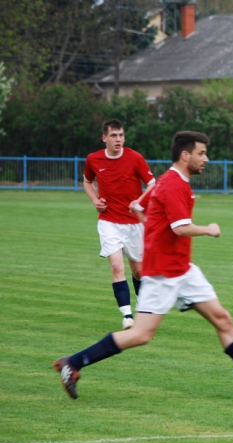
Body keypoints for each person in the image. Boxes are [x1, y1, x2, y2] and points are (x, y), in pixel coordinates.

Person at [54, 131, 233, 399]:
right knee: (141, 335)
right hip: (163, 273)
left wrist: (150, 222)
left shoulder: (168, 181)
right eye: (201, 153)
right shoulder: (173, 185)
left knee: (222, 318)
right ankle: (72, 363)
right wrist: (208, 229)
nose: (206, 159)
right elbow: (180, 228)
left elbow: (137, 207)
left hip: (183, 269)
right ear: (185, 155)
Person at [83, 119, 156, 330]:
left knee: (139, 272)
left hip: (134, 223)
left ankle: (143, 311)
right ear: (104, 138)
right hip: (108, 222)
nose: (118, 139)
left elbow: (152, 184)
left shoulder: (135, 158)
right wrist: (95, 200)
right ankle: (127, 316)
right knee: (116, 265)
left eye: (121, 135)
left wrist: (139, 201)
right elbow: (87, 181)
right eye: (114, 135)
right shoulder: (93, 159)